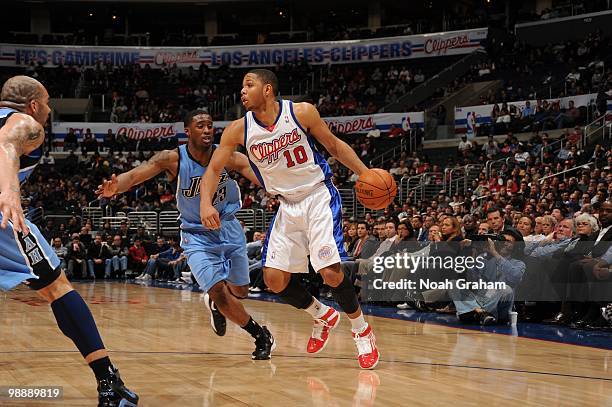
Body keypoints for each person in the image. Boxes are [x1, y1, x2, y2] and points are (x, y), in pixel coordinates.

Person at [199, 69, 379, 369]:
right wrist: (206, 203)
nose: (242, 91)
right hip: (286, 205)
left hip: (317, 195)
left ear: (267, 90)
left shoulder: (301, 113)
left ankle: (363, 332)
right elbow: (213, 171)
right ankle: (322, 315)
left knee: (330, 272)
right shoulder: (238, 130)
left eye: (249, 84)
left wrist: (365, 173)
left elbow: (334, 146)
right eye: (242, 86)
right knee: (274, 279)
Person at [0, 76, 138, 406]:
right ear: (33, 105)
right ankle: (109, 382)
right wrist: (9, 191)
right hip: (4, 216)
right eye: (47, 102)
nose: (49, 109)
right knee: (57, 288)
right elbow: (6, 142)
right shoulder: (24, 121)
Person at [96, 110, 274, 360]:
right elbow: (138, 174)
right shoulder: (173, 158)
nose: (207, 130)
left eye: (211, 125)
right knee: (219, 291)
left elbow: (251, 170)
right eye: (200, 126)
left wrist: (279, 189)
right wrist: (116, 187)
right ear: (187, 131)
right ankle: (260, 335)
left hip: (229, 228)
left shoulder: (224, 155)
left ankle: (216, 303)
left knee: (240, 291)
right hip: (196, 235)